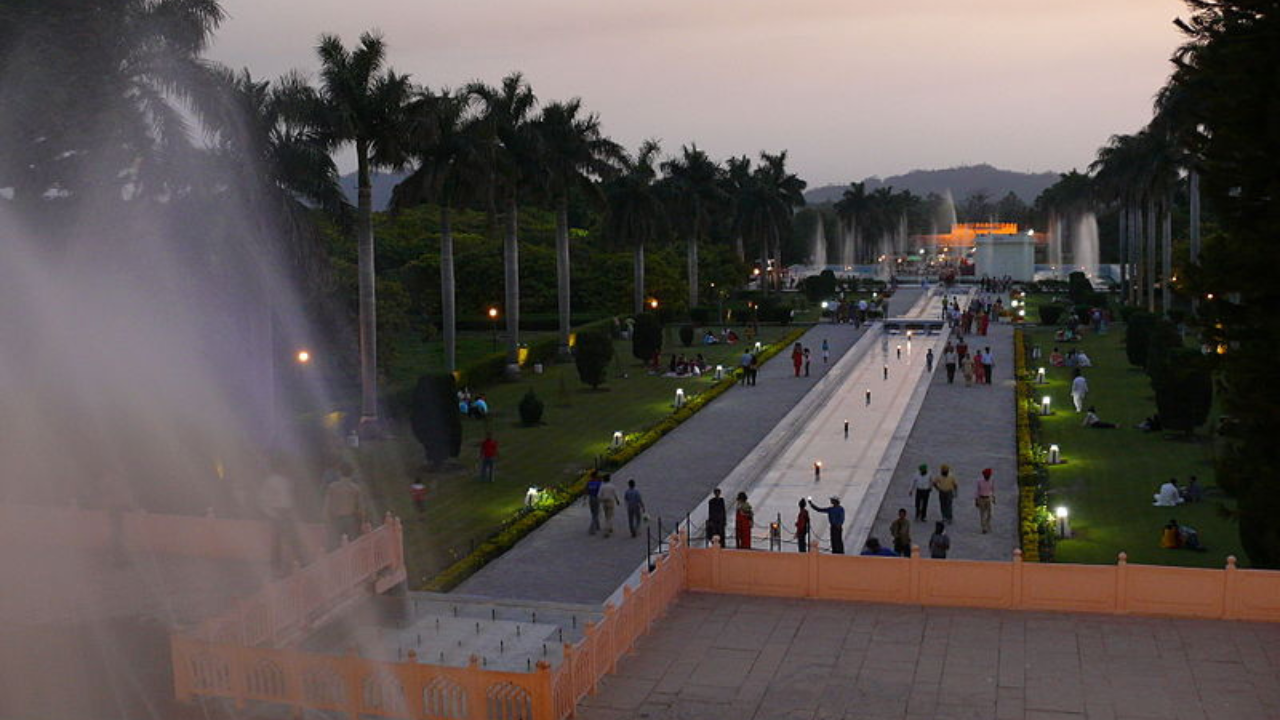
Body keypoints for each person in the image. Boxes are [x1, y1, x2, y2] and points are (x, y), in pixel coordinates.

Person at [322, 462, 365, 547]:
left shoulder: (332, 487)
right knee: (353, 545)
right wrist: (362, 522)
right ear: (352, 473)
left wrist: (326, 520)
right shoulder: (355, 489)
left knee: (335, 546)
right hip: (351, 519)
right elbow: (360, 509)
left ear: (340, 472)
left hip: (336, 519)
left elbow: (327, 506)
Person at [975, 468, 996, 534]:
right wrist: (976, 500)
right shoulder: (979, 481)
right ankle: (984, 528)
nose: (988, 477)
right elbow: (977, 491)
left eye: (988, 476)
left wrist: (994, 498)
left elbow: (993, 490)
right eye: (986, 476)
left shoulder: (992, 481)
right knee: (982, 514)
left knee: (990, 514)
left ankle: (987, 524)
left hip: (989, 498)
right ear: (984, 476)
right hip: (981, 499)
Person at [586, 470, 603, 535]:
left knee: (593, 512)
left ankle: (598, 526)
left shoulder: (589, 483)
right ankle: (592, 528)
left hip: (591, 498)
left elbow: (587, 491)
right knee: (596, 513)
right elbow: (600, 491)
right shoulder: (598, 483)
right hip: (596, 498)